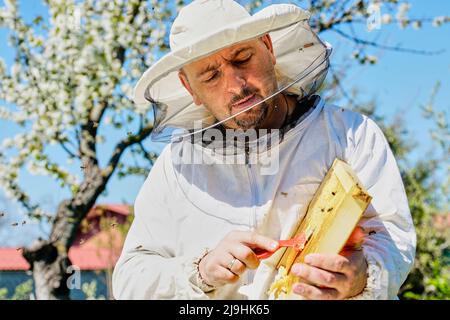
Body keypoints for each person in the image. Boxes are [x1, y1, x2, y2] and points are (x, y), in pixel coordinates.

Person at [112, 0, 416, 300]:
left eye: (242, 58)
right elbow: (131, 278)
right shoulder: (176, 166)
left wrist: (362, 276)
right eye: (210, 75)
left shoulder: (351, 134)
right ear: (190, 88)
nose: (236, 85)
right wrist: (201, 272)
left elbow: (393, 238)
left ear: (268, 48)